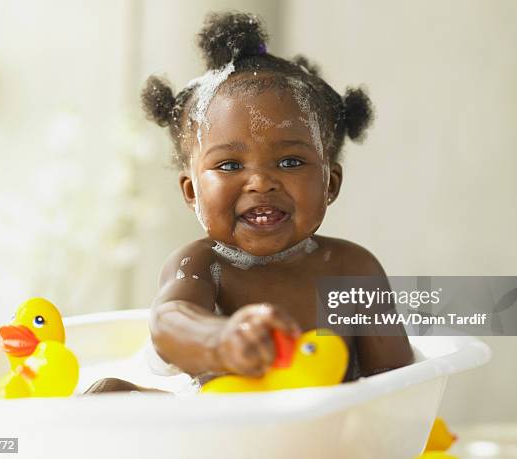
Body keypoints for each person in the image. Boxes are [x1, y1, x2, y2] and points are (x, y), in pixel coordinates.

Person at [86, 11, 412, 395]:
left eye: (290, 161)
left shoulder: (352, 270)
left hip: (325, 442)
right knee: (107, 394)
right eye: (229, 165)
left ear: (330, 183)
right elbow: (169, 324)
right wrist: (222, 340)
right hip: (225, 434)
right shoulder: (203, 264)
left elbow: (398, 386)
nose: (260, 182)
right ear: (191, 192)